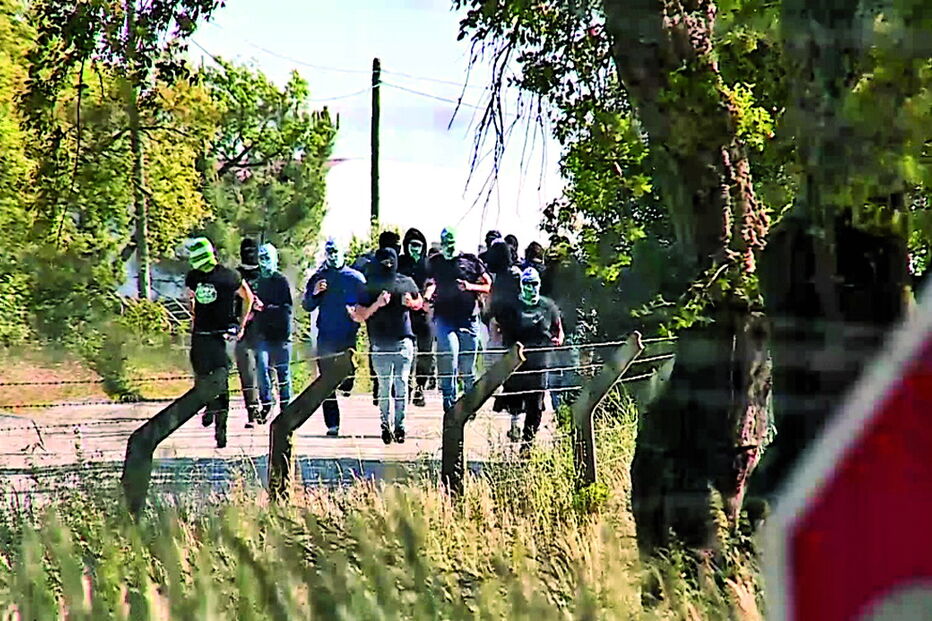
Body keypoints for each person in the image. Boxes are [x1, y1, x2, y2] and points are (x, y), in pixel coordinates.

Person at [185, 237, 256, 449]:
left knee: (221, 381)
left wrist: (241, 325)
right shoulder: (194, 276)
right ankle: (208, 406)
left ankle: (221, 430)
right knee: (202, 376)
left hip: (221, 336)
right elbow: (190, 299)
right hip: (201, 335)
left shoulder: (230, 276)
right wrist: (193, 315)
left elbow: (248, 297)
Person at [349, 248, 423, 444]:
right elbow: (359, 315)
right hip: (380, 344)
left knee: (401, 384)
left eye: (391, 261)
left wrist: (412, 303)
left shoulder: (406, 281)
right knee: (384, 387)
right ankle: (385, 426)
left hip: (403, 341)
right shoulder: (369, 286)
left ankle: (400, 426)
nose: (388, 265)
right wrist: (378, 304)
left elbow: (420, 302)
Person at [491, 267, 563, 451]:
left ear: (539, 284)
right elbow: (495, 323)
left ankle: (528, 443)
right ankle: (514, 423)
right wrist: (498, 343)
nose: (531, 288)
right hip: (517, 358)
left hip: (540, 359)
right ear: (521, 285)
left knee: (536, 403)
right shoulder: (511, 306)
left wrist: (559, 338)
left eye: (534, 284)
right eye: (527, 284)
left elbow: (557, 327)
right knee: (514, 396)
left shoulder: (548, 305)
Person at [303, 238, 367, 436]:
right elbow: (307, 305)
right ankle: (332, 424)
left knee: (346, 375)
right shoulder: (318, 277)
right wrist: (315, 293)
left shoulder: (355, 278)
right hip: (326, 335)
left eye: (336, 251)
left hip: (348, 335)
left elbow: (367, 303)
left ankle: (348, 382)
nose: (333, 255)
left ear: (343, 253)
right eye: (329, 252)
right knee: (326, 381)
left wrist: (359, 312)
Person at [424, 227, 491, 413]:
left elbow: (487, 285)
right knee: (449, 358)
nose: (448, 247)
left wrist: (469, 286)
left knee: (467, 367)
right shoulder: (435, 262)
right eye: (444, 243)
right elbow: (430, 282)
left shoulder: (470, 261)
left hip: (468, 319)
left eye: (451, 243)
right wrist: (428, 297)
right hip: (445, 317)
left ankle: (470, 405)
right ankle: (450, 406)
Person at [255, 243, 293, 422]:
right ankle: (266, 402)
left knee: (283, 373)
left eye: (267, 258)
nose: (264, 262)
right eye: (261, 258)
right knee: (262, 367)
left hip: (281, 335)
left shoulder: (281, 281)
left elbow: (287, 308)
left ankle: (286, 408)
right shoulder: (257, 281)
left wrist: (267, 308)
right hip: (262, 333)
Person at [398, 227, 434, 407]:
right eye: (412, 245)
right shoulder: (401, 262)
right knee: (406, 352)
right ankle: (406, 388)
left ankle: (420, 386)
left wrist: (425, 298)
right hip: (404, 312)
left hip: (423, 311)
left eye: (419, 245)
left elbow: (433, 283)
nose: (415, 249)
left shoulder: (427, 264)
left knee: (426, 352)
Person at [235, 238, 263, 428]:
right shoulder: (236, 276)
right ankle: (252, 411)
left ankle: (267, 407)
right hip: (243, 328)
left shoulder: (265, 274)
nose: (249, 253)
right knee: (247, 372)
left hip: (265, 329)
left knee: (266, 370)